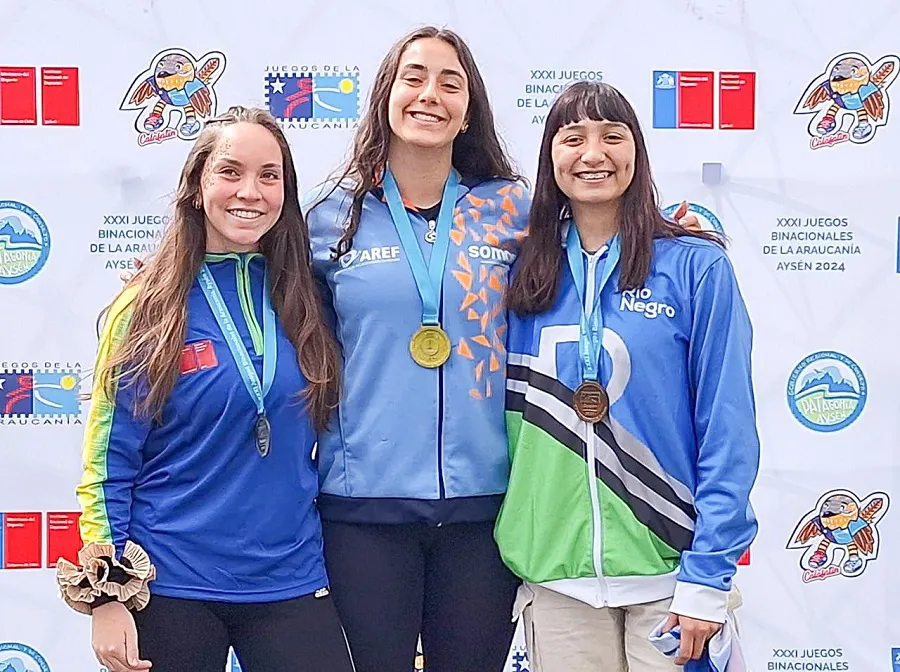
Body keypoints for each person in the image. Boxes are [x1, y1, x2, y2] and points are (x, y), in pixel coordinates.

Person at [304, 27, 703, 672]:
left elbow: (602, 229)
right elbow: (263, 283)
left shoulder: (516, 212)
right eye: (414, 77)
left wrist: (670, 233)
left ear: (470, 108)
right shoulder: (331, 218)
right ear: (384, 94)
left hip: (488, 506)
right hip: (363, 507)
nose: (430, 94)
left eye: (450, 82)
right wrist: (168, 276)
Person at [56, 106, 354, 672]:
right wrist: (108, 595)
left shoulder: (308, 299)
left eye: (270, 176)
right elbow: (106, 461)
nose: (251, 191)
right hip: (171, 580)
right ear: (197, 186)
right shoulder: (148, 307)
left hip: (289, 576)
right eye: (230, 171)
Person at [494, 81, 759, 671]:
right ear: (550, 157)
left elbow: (727, 428)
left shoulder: (695, 266)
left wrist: (709, 577)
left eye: (612, 136)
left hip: (671, 577)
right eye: (574, 138)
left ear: (637, 151)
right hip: (557, 581)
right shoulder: (516, 273)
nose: (593, 154)